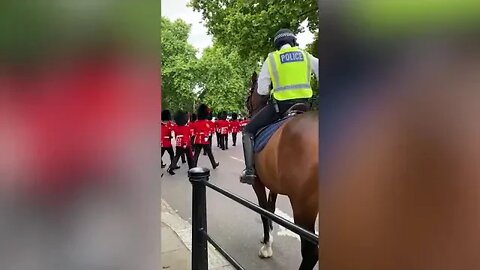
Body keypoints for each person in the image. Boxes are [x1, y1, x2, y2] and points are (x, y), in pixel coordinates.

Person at [240, 28, 319, 184]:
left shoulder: (272, 58)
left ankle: (249, 171)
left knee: (248, 130)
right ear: (293, 41)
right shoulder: (306, 56)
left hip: (280, 108)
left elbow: (262, 89)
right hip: (305, 107)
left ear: (277, 44)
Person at [191, 104, 219, 169]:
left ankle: (193, 166)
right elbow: (209, 132)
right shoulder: (207, 123)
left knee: (196, 154)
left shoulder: (195, 122)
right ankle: (214, 164)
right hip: (205, 140)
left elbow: (193, 132)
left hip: (197, 140)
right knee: (209, 153)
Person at [167, 111, 194, 175]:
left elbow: (171, 129)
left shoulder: (176, 127)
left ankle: (171, 168)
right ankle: (191, 169)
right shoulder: (187, 128)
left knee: (177, 156)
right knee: (190, 157)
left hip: (178, 143)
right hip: (186, 144)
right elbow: (190, 135)